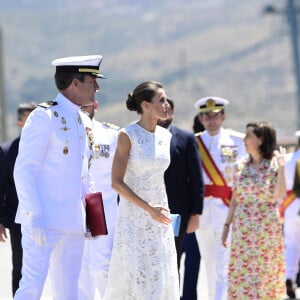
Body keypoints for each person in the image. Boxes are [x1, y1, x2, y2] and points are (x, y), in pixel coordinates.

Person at [13, 55, 105, 300]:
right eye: (92, 81)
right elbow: (24, 170)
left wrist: (94, 219)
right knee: (32, 287)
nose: (97, 87)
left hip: (74, 220)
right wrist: (34, 215)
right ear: (75, 83)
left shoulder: (83, 120)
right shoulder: (43, 117)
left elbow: (86, 175)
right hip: (44, 219)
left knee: (69, 291)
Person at [104, 81, 179, 299]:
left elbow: (157, 176)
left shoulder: (166, 136)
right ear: (146, 105)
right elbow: (116, 182)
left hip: (160, 217)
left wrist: (162, 209)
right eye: (161, 100)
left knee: (161, 274)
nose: (167, 105)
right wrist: (148, 208)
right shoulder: (127, 135)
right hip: (134, 217)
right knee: (136, 276)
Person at [222, 121, 286, 299]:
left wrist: (281, 167)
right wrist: (227, 226)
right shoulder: (240, 165)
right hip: (243, 230)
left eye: (249, 135)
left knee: (266, 272)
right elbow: (234, 200)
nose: (245, 139)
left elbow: (279, 195)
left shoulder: (273, 165)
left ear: (260, 139)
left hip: (266, 229)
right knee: (243, 273)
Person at [193, 96, 246, 300]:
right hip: (203, 210)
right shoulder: (194, 142)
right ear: (201, 118)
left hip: (228, 210)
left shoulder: (237, 141)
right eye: (207, 116)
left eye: (216, 115)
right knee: (208, 261)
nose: (212, 120)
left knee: (225, 263)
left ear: (223, 116)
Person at [157, 99, 204, 300]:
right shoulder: (141, 135)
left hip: (176, 214)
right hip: (148, 211)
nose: (165, 109)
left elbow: (195, 178)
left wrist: (195, 213)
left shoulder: (185, 138)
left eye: (169, 107)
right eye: (161, 105)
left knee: (172, 263)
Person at [78, 100, 119, 300]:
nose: (83, 108)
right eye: (79, 105)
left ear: (96, 104)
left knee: (103, 266)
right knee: (78, 267)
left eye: (87, 104)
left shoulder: (111, 135)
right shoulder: (63, 133)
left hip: (104, 209)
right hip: (74, 207)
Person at [0, 102, 36, 296]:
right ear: (20, 123)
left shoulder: (50, 147)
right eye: (28, 119)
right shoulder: (7, 151)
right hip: (18, 222)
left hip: (48, 218)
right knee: (21, 269)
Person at [281, 131, 300, 299]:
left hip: (291, 207)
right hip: (293, 203)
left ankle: (289, 277)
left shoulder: (288, 159)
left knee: (292, 246)